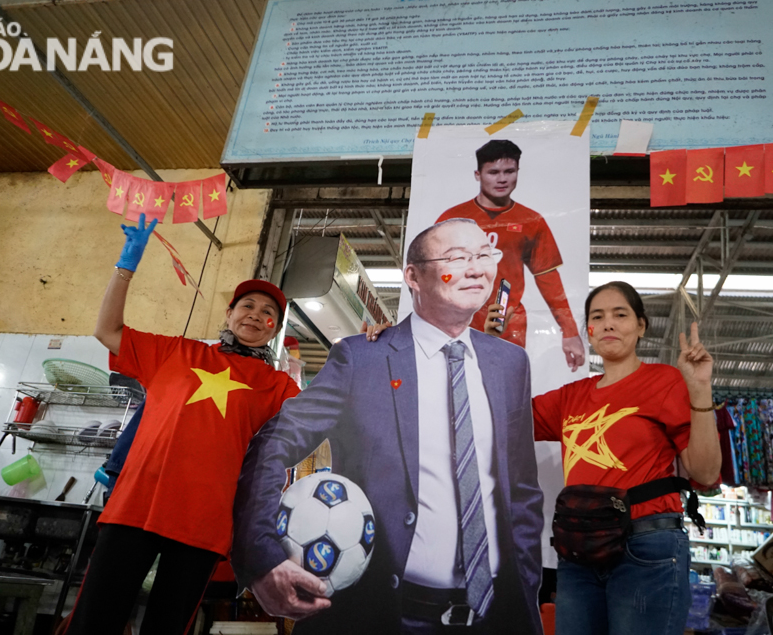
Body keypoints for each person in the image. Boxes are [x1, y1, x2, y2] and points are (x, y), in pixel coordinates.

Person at [231, 218, 545, 634]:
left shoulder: (509, 364)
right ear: (413, 276)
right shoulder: (362, 359)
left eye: (484, 255)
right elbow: (275, 443)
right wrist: (262, 556)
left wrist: (525, 582)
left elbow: (520, 489)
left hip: (494, 616)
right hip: (382, 612)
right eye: (456, 257)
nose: (475, 268)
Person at [64, 214, 299, 635]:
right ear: (229, 313)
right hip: (134, 504)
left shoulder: (277, 384)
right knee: (93, 622)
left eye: (268, 314)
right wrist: (126, 265)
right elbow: (107, 330)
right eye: (246, 305)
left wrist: (373, 344)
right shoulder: (177, 352)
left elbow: (332, 413)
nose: (254, 315)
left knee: (167, 628)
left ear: (273, 330)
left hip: (203, 521)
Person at [486, 281, 721, 635]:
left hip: (645, 548)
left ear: (641, 326)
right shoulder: (571, 397)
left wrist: (700, 389)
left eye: (620, 314)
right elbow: (502, 417)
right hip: (578, 550)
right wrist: (494, 349)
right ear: (589, 331)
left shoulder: (664, 381)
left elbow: (705, 473)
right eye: (597, 317)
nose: (608, 324)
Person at [436, 139, 585, 372]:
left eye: (509, 171)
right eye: (493, 172)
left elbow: (548, 278)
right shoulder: (453, 218)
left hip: (507, 320)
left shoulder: (531, 221)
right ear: (478, 174)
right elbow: (431, 274)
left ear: (518, 172)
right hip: (457, 318)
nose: (502, 178)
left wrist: (570, 331)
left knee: (503, 393)